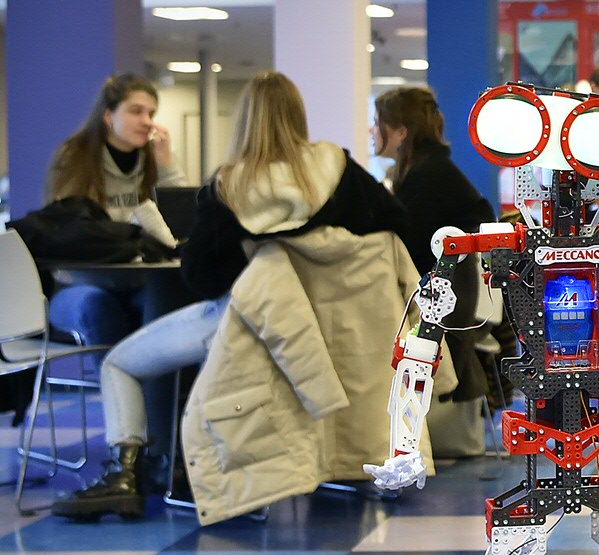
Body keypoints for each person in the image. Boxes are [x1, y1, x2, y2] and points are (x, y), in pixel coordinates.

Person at [52, 72, 406, 520]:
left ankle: (124, 474)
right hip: (331, 330)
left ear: (243, 121)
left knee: (118, 363)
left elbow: (202, 278)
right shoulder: (344, 172)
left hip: (246, 325)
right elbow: (398, 228)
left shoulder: (229, 187)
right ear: (298, 116)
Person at [371, 87, 495, 425]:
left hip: (447, 302)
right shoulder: (429, 172)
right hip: (453, 293)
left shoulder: (429, 177)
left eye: (376, 122)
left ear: (400, 132)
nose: (371, 130)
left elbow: (408, 248)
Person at [44, 73, 189, 344]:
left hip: (137, 282)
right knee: (98, 306)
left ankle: (158, 387)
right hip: (77, 284)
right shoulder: (74, 156)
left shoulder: (154, 159)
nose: (147, 122)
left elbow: (179, 225)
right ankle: (119, 385)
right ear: (108, 116)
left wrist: (167, 165)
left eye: (151, 113)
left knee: (170, 302)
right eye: (136, 111)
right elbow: (72, 231)